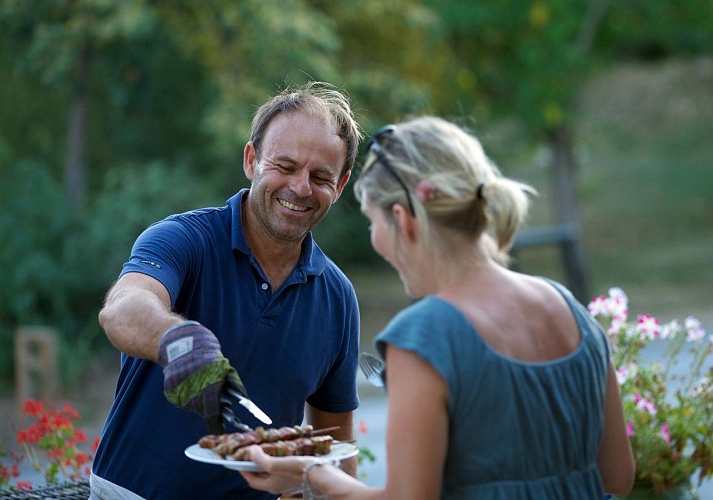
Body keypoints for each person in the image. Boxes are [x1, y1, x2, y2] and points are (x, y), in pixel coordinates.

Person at [240, 116, 635, 499]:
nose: (376, 239)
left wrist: (311, 475)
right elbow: (618, 476)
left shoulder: (425, 335)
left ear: (403, 219)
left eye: (372, 222)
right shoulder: (571, 311)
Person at [90, 81, 364, 500]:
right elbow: (122, 310)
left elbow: (335, 443)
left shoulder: (338, 298)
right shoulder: (184, 239)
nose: (301, 187)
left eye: (321, 176)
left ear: (340, 185)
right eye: (285, 166)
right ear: (252, 160)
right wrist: (177, 340)